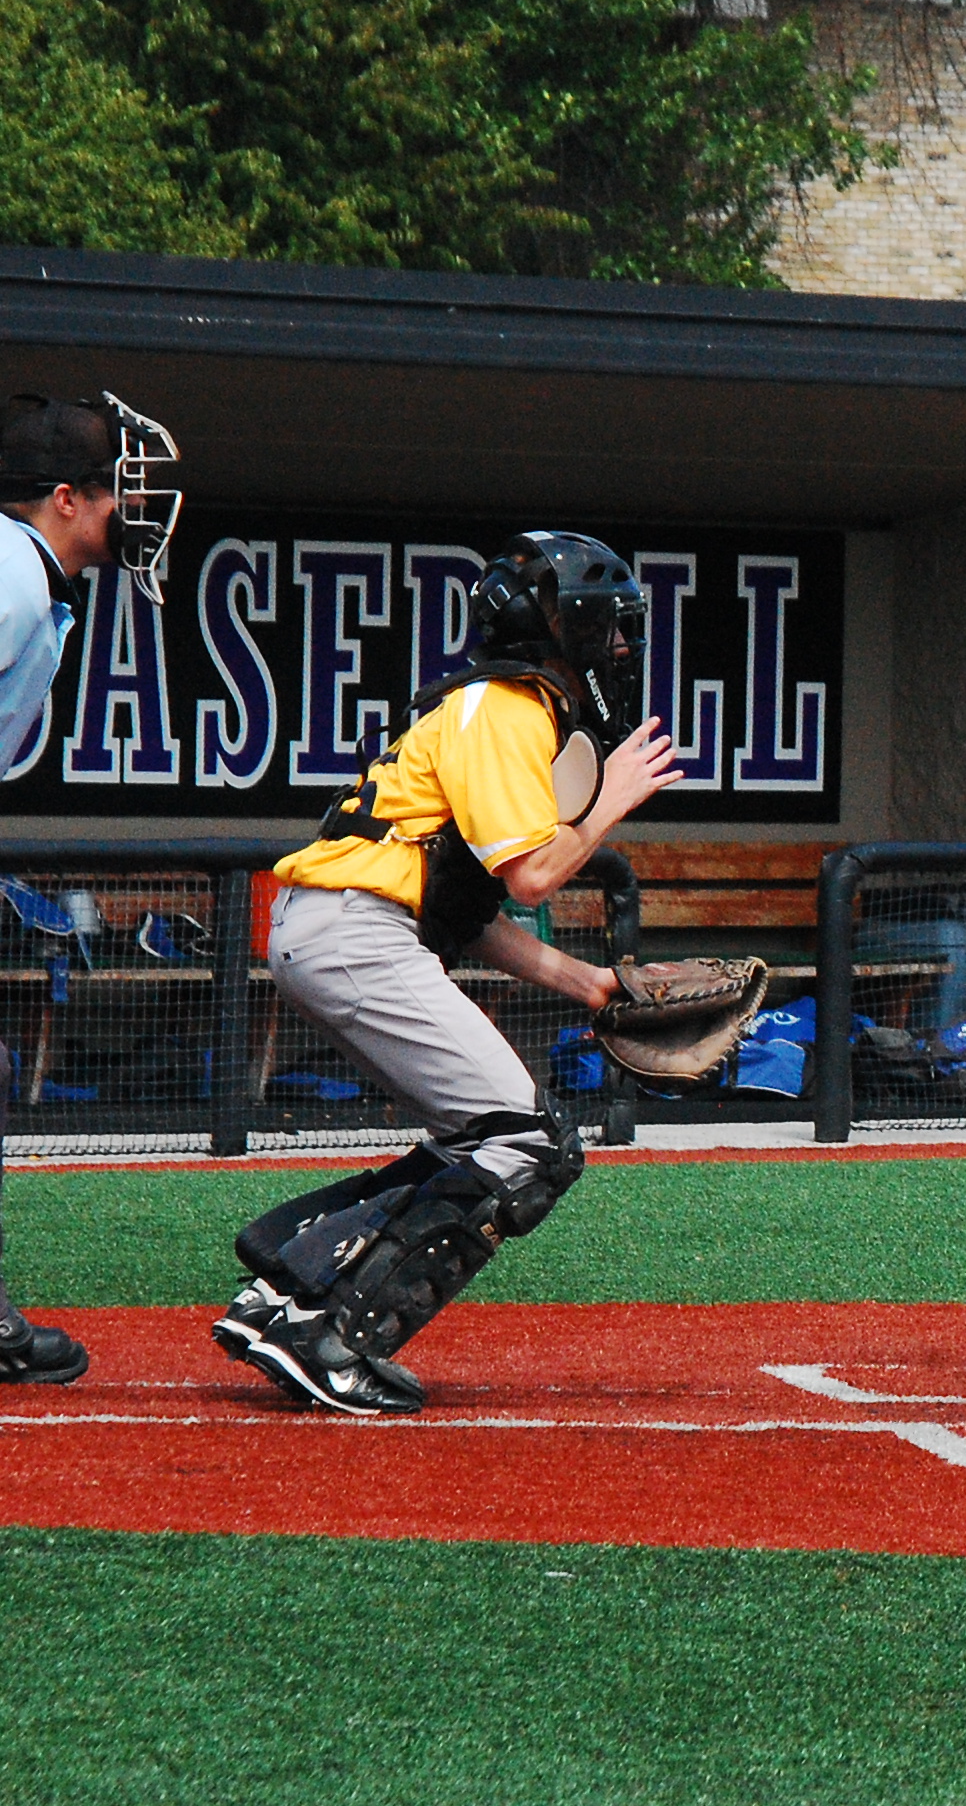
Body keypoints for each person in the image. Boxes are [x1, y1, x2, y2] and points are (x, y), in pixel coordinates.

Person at [211, 533, 679, 1416]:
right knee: (529, 1143)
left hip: (340, 929)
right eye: (607, 626)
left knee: (484, 1135)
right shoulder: (509, 706)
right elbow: (532, 876)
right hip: (356, 933)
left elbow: (470, 916)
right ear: (564, 628)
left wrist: (591, 985)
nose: (622, 646)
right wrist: (611, 801)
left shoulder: (487, 706)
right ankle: (333, 1335)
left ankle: (289, 1283)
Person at [0, 392, 185, 1388]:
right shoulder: (10, 576)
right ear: (65, 498)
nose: (132, 509)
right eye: (116, 490)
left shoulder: (27, 575)